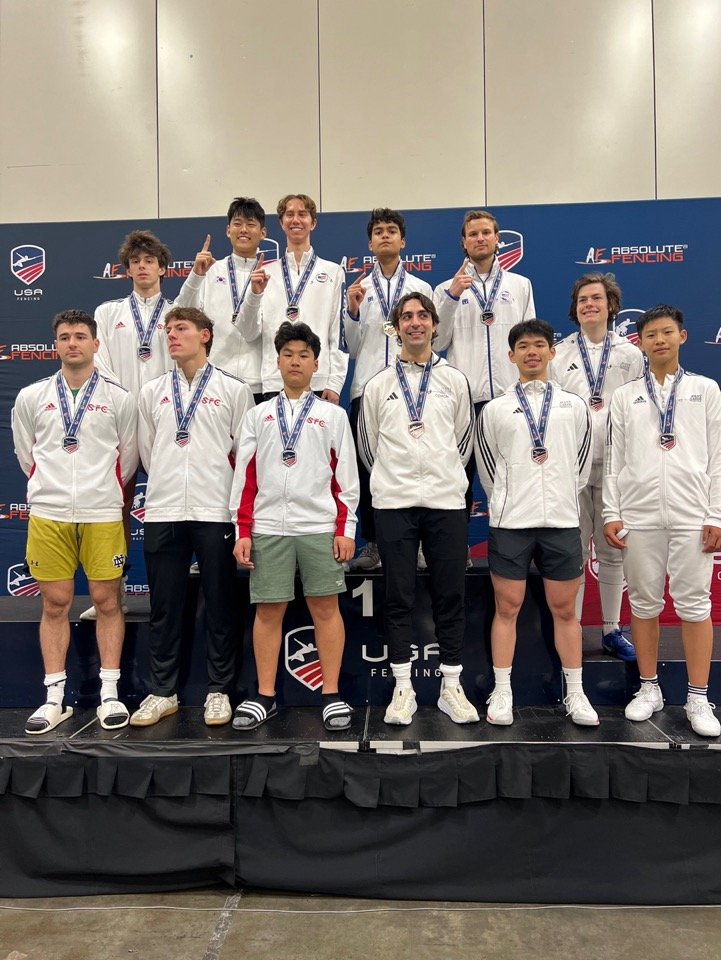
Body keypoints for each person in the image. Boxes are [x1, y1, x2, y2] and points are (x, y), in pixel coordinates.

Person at [11, 310, 138, 734]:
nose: (72, 343)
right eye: (64, 336)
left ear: (96, 344)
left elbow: (129, 458)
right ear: (56, 345)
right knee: (55, 604)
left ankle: (109, 694)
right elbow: (26, 454)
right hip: (49, 514)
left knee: (106, 602)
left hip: (102, 513)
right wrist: (50, 488)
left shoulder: (120, 399)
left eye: (80, 336)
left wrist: (99, 491)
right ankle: (53, 698)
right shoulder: (31, 396)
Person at [230, 321, 359, 731]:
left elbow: (347, 479)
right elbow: (244, 478)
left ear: (316, 363)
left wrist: (347, 529)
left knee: (326, 609)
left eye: (304, 355)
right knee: (269, 612)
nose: (296, 361)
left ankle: (332, 694)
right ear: (278, 361)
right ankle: (265, 696)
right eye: (288, 354)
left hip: (320, 525)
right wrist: (243, 531)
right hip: (269, 526)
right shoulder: (258, 415)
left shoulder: (333, 415)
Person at [130, 307, 254, 727]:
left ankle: (219, 691)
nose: (171, 336)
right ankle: (162, 691)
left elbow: (244, 456)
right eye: (168, 329)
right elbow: (148, 452)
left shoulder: (234, 390)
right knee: (165, 607)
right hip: (164, 509)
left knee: (221, 604)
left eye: (180, 328)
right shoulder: (152, 392)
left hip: (215, 510)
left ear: (205, 335)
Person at [358, 292, 478, 725]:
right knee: (398, 597)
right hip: (394, 504)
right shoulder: (377, 385)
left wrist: (443, 474)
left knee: (450, 594)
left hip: (446, 501)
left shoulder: (455, 381)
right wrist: (395, 480)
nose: (414, 323)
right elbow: (368, 449)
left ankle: (451, 687)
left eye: (422, 316)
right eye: (406, 317)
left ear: (433, 325)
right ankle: (403, 688)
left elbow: (463, 443)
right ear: (395, 328)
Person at [603, 305, 721, 737]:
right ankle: (649, 688)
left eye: (667, 333)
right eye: (650, 334)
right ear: (641, 342)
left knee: (694, 606)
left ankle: (698, 697)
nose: (659, 340)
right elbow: (614, 460)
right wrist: (613, 512)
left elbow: (718, 458)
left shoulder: (706, 390)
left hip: (693, 515)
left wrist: (716, 513)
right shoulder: (625, 396)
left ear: (682, 337)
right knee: (645, 605)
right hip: (639, 514)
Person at [475, 319, 598, 727]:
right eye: (523, 346)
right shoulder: (495, 409)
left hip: (562, 520)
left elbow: (580, 467)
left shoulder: (574, 406)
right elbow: (488, 466)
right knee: (506, 607)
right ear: (511, 356)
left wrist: (560, 493)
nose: (532, 351)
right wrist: (508, 500)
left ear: (552, 352)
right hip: (511, 523)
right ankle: (502, 690)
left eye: (539, 345)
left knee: (565, 611)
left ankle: (576, 693)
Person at [550, 273, 644, 660]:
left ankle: (610, 629)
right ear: (574, 309)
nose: (589, 305)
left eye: (597, 299)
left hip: (615, 468)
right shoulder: (559, 353)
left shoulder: (630, 354)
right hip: (572, 467)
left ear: (611, 306)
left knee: (612, 551)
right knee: (573, 550)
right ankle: (569, 629)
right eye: (583, 300)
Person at [81, 229, 175, 620]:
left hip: (167, 419)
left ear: (163, 268)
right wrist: (124, 403)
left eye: (149, 261)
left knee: (170, 506)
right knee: (114, 508)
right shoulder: (107, 313)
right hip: (119, 421)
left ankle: (169, 596)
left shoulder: (178, 313)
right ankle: (111, 594)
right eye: (135, 262)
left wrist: (159, 403)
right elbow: (99, 366)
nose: (142, 266)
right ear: (127, 269)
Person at [343, 208, 433, 573]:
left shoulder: (421, 289)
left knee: (415, 463)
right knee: (367, 470)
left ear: (402, 241)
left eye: (391, 230)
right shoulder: (358, 289)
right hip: (367, 386)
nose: (384, 236)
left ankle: (421, 544)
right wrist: (351, 311)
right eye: (378, 231)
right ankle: (375, 544)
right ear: (369, 243)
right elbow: (350, 346)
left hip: (411, 389)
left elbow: (429, 338)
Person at [433, 210, 536, 521]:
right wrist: (452, 296)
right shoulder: (444, 289)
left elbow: (530, 343)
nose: (480, 238)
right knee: (458, 478)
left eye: (486, 233)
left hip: (509, 398)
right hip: (462, 400)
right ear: (463, 243)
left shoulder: (520, 285)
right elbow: (437, 344)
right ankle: (457, 547)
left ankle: (516, 541)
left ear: (497, 239)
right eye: (473, 234)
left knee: (515, 472)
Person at [237, 193, 348, 401]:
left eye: (302, 214)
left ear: (313, 222)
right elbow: (249, 332)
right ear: (281, 223)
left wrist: (335, 383)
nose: (295, 220)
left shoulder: (333, 272)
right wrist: (254, 294)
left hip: (319, 380)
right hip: (274, 380)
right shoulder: (264, 272)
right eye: (289, 214)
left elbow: (338, 335)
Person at [175, 197, 266, 401]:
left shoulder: (272, 275)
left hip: (259, 382)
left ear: (263, 233)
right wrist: (196, 276)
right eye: (237, 224)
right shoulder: (210, 270)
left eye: (251, 224)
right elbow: (180, 314)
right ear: (228, 230)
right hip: (215, 379)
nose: (243, 229)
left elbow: (256, 331)